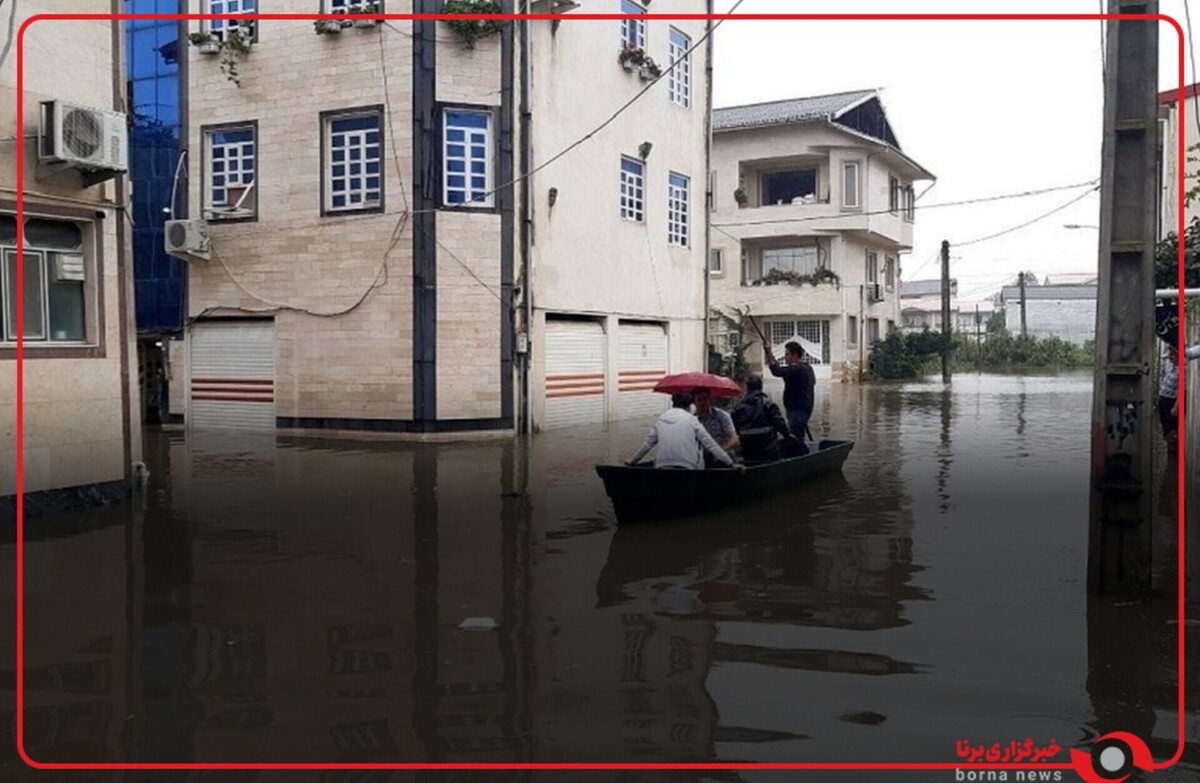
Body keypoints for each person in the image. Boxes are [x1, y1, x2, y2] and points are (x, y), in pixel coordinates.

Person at [627, 392, 743, 471]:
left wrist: (633, 461)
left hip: (662, 467)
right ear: (690, 405)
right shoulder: (692, 420)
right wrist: (731, 464)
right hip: (688, 469)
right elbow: (711, 445)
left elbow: (647, 445)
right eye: (699, 400)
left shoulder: (661, 419)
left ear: (673, 404)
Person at [732, 374, 799, 462]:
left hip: (747, 449)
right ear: (761, 387)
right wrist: (787, 435)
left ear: (747, 388)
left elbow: (734, 428)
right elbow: (779, 423)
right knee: (791, 444)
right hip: (768, 449)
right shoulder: (768, 404)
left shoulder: (738, 407)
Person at [764, 340, 817, 443]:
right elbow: (779, 368)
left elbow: (776, 371)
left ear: (795, 355)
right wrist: (769, 353)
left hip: (798, 410)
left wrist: (768, 352)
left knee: (796, 439)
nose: (785, 357)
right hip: (804, 408)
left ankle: (800, 456)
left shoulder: (797, 370)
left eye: (787, 354)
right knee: (797, 435)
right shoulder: (807, 368)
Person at [692, 386, 739, 467]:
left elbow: (735, 440)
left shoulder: (721, 416)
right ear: (694, 402)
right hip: (702, 462)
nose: (702, 402)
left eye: (705, 398)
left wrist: (719, 452)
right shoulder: (692, 420)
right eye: (699, 399)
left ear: (709, 400)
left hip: (724, 459)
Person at [1159, 346, 1184, 444]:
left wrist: (1176, 406)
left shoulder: (1182, 369)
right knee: (1166, 428)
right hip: (1164, 401)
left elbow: (1182, 390)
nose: (1170, 357)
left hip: (1170, 402)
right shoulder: (1173, 368)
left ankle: (1173, 451)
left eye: (1172, 355)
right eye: (1169, 355)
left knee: (1171, 430)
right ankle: (1168, 442)